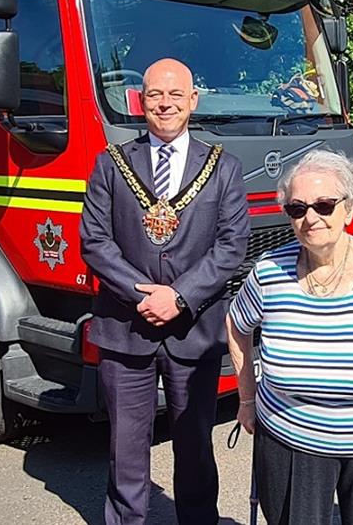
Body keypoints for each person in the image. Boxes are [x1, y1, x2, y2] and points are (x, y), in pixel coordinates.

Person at [80, 58, 250, 525]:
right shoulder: (112, 164)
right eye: (155, 94)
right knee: (125, 449)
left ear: (193, 100)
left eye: (176, 95)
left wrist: (178, 297)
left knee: (195, 447)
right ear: (141, 100)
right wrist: (143, 296)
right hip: (125, 328)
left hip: (193, 331)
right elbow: (94, 241)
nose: (165, 104)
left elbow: (232, 245)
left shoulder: (224, 167)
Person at [227, 149, 353, 525]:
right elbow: (237, 324)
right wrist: (246, 398)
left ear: (349, 207)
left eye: (324, 205)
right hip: (290, 441)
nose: (311, 218)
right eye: (297, 208)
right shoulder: (268, 272)